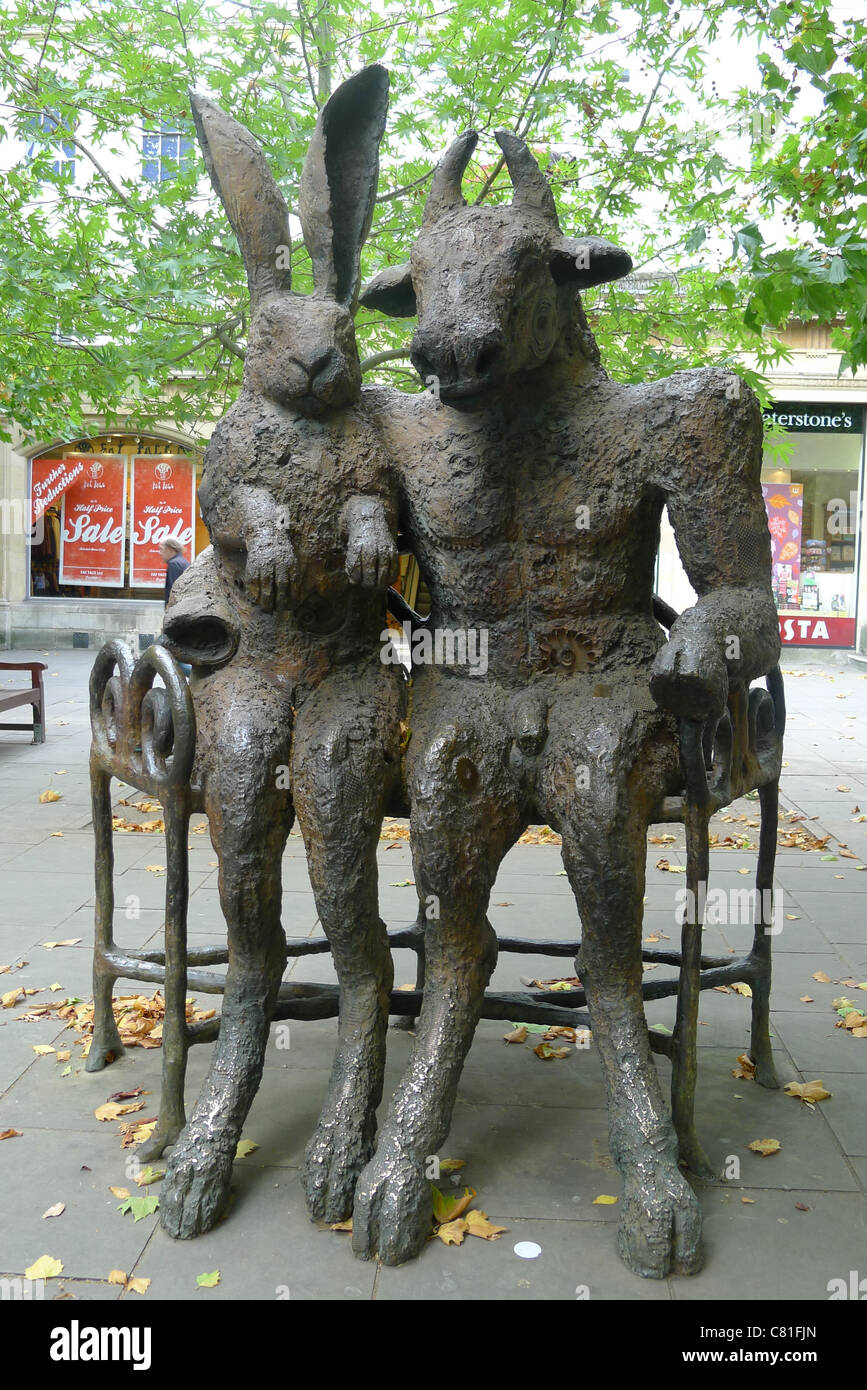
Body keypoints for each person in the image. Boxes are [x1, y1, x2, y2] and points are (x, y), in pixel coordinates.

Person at [159, 538, 190, 605]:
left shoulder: (174, 564)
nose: (160, 553)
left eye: (162, 549)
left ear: (170, 550)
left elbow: (173, 591)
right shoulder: (183, 562)